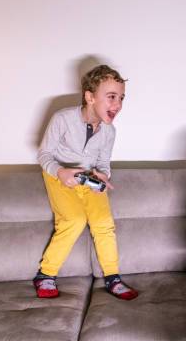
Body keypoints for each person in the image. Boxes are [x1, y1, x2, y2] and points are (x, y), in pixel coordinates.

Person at [33, 64, 138, 301]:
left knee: (104, 223)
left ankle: (112, 277)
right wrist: (60, 172)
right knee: (74, 219)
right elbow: (44, 155)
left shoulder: (110, 132)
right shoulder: (62, 119)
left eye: (121, 98)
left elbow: (104, 163)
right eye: (111, 97)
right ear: (90, 97)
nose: (118, 104)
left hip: (88, 178)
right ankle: (45, 274)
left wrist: (103, 175)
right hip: (59, 175)